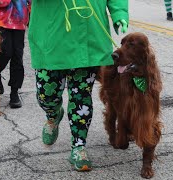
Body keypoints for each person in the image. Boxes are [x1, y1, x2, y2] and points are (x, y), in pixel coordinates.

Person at [28, 0, 128, 171]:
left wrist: (119, 14)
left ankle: (79, 146)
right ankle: (53, 114)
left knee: (81, 96)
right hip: (51, 34)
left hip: (88, 37)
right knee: (46, 94)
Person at [0, 0, 31, 108]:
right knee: (4, 52)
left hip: (20, 21)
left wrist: (32, 15)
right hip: (0, 22)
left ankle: (14, 92)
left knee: (18, 57)